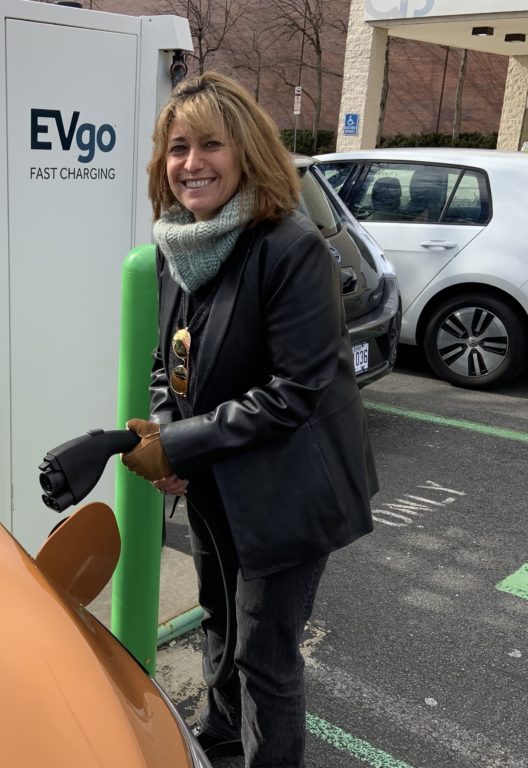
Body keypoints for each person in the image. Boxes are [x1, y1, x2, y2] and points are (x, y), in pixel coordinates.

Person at [120, 71, 378, 767]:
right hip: (218, 478)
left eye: (210, 144)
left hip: (292, 489)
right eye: (178, 147)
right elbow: (167, 360)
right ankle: (222, 731)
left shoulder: (288, 248)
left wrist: (178, 443)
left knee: (265, 651)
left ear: (248, 153)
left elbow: (296, 391)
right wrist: (165, 429)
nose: (191, 163)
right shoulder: (181, 247)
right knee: (218, 618)